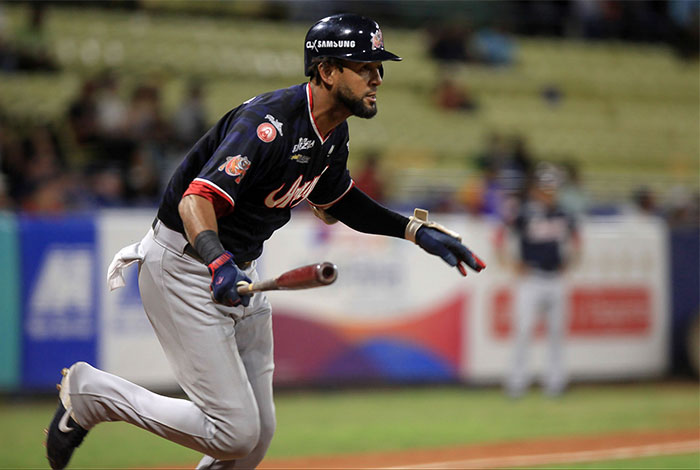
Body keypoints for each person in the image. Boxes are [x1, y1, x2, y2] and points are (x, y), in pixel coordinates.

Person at [44, 14, 486, 470]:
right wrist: (217, 262)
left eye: (378, 67)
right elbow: (195, 200)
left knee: (256, 439)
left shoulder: (332, 131)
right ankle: (93, 395)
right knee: (234, 432)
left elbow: (341, 201)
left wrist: (415, 231)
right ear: (326, 70)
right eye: (363, 66)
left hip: (238, 269)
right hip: (188, 264)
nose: (376, 78)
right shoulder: (267, 124)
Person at [495, 162, 580, 398]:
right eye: (545, 188)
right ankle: (517, 383)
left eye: (552, 187)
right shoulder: (524, 212)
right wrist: (509, 263)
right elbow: (500, 235)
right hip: (530, 278)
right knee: (523, 331)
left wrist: (571, 261)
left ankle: (555, 383)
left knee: (556, 333)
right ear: (536, 189)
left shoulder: (563, 213)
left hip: (555, 278)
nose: (549, 192)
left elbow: (577, 239)